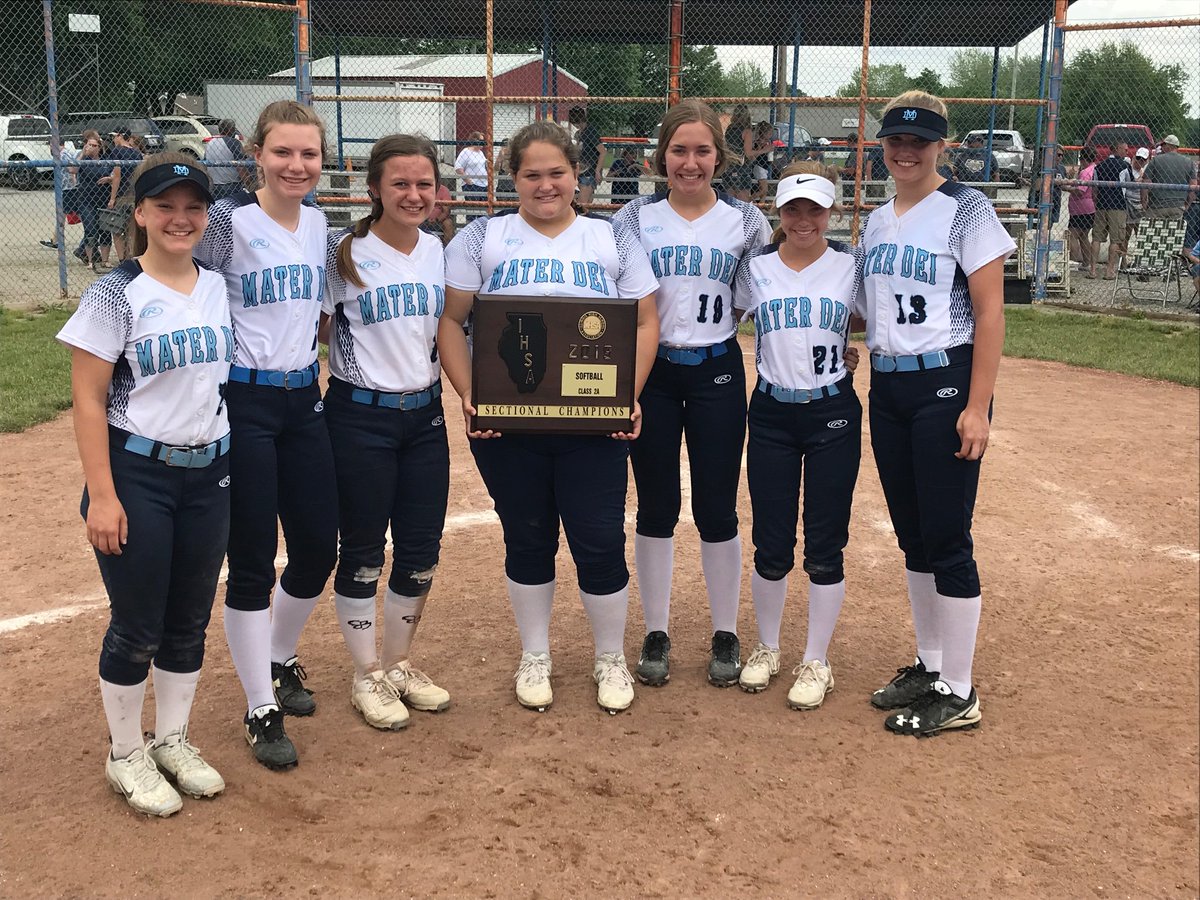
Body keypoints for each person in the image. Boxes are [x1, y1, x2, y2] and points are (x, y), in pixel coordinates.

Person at [439, 120, 659, 714]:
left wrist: (627, 394)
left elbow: (645, 321)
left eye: (557, 172)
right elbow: (451, 322)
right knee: (527, 536)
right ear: (512, 178)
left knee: (599, 539)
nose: (545, 185)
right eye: (531, 174)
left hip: (593, 421)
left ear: (576, 174)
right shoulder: (483, 238)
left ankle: (609, 656)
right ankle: (535, 653)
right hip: (509, 422)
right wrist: (469, 392)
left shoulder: (609, 238)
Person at [57, 154, 230, 816]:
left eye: (192, 207)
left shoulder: (217, 285)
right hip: (138, 474)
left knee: (189, 620)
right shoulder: (115, 292)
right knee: (137, 625)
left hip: (209, 472)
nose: (180, 218)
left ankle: (172, 739)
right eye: (165, 206)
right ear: (140, 214)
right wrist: (103, 495)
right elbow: (88, 399)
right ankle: (125, 751)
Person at [858, 90, 1015, 737]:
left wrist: (977, 406)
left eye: (919, 142)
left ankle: (960, 688)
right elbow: (871, 306)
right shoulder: (875, 220)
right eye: (895, 140)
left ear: (941, 147)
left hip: (945, 383)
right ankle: (931, 664)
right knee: (913, 535)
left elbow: (990, 312)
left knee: (947, 537)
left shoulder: (966, 209)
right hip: (889, 388)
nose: (905, 152)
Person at [194, 100, 339, 770]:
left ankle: (278, 659)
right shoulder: (230, 222)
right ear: (257, 154)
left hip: (302, 399)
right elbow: (180, 279)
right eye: (282, 151)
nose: (296, 165)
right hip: (243, 399)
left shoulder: (319, 224)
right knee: (253, 559)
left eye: (309, 153)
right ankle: (259, 706)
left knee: (316, 549)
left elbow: (325, 311)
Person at [612, 99, 770, 688]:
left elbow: (772, 291)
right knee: (655, 505)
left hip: (716, 368)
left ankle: (725, 631)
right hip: (651, 371)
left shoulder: (746, 222)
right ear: (661, 157)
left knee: (716, 506)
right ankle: (656, 630)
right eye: (678, 150)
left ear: (719, 158)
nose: (690, 162)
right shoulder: (633, 218)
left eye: (702, 150)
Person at [320, 134, 452, 731]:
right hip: (359, 416)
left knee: (421, 547)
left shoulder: (438, 250)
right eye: (400, 183)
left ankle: (398, 663)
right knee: (364, 548)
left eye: (424, 183)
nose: (413, 194)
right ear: (374, 188)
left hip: (425, 416)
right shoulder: (344, 252)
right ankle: (365, 672)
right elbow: (315, 328)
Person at [732, 163, 862, 706]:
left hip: (832, 411)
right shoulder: (755, 269)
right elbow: (727, 317)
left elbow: (866, 320)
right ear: (778, 212)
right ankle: (767, 647)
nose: (803, 219)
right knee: (771, 538)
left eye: (815, 209)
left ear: (831, 212)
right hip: (770, 412)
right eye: (792, 209)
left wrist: (846, 353)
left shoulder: (850, 267)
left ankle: (816, 659)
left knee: (826, 542)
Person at [1090, 142, 1131, 280]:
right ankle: (1109, 270)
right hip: (1118, 206)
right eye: (1125, 149)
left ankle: (1093, 270)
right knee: (1116, 239)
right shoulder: (1124, 166)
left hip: (1101, 205)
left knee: (1096, 238)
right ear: (1117, 149)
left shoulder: (1099, 166)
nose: (1127, 152)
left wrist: (1097, 202)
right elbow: (1130, 184)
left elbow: (1094, 189)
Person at [103, 128, 144, 262]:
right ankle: (131, 256)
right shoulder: (136, 153)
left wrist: (112, 198)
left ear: (120, 136)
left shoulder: (117, 151)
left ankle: (122, 260)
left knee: (117, 229)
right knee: (131, 229)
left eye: (114, 136)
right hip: (134, 194)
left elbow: (117, 176)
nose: (113, 139)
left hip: (122, 194)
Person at [74, 131, 109, 271]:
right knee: (90, 229)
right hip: (86, 199)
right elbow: (72, 169)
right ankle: (90, 260)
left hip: (103, 198)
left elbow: (116, 174)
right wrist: (82, 154)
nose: (92, 148)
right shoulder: (83, 159)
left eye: (95, 145)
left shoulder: (105, 160)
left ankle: (105, 260)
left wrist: (110, 179)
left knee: (105, 230)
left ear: (99, 147)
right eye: (89, 145)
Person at [723, 105, 771, 202]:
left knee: (731, 201)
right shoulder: (746, 131)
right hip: (742, 169)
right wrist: (764, 150)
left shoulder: (730, 129)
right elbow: (748, 153)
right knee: (743, 202)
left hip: (729, 168)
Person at [1142, 134, 1193, 221]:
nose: (1162, 147)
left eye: (1163, 145)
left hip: (1156, 205)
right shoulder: (1188, 162)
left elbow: (1146, 183)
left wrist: (1144, 202)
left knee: (1154, 229)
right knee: (1173, 229)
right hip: (1177, 205)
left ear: (1168, 146)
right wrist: (1187, 204)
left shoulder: (1156, 160)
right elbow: (1193, 185)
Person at [203, 119, 252, 201]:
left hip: (214, 184)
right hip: (231, 184)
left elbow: (205, 164)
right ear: (231, 130)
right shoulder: (234, 142)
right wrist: (248, 182)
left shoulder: (210, 143)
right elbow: (240, 166)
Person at [1067, 147, 1096, 274]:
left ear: (1083, 159)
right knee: (1084, 236)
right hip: (1090, 208)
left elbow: (1080, 191)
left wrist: (1066, 188)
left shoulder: (1085, 172)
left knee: (1072, 235)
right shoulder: (1094, 169)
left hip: (1080, 208)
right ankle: (1086, 262)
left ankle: (1072, 262)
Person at [568, 107, 605, 206]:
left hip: (589, 172)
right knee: (585, 203)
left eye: (575, 122)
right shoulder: (579, 133)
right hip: (581, 171)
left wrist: (597, 171)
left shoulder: (590, 132)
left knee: (582, 204)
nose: (575, 125)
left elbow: (603, 151)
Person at [1125, 146, 1151, 243]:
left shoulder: (1146, 170)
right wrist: (1139, 180)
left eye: (1143, 159)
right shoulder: (1128, 168)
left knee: (1141, 236)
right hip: (1129, 203)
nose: (1140, 161)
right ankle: (1123, 253)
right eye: (1138, 158)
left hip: (1141, 205)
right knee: (1126, 235)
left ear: (1147, 160)